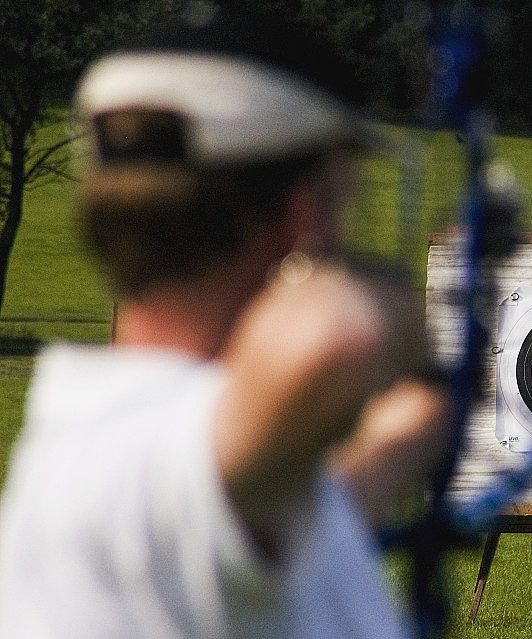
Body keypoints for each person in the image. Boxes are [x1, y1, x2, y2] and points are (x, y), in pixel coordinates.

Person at [0, 9, 447, 639]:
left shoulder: (142, 451)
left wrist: (429, 397)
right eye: (345, 196)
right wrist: (398, 306)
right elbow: (341, 340)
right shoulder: (147, 469)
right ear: (305, 211)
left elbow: (329, 495)